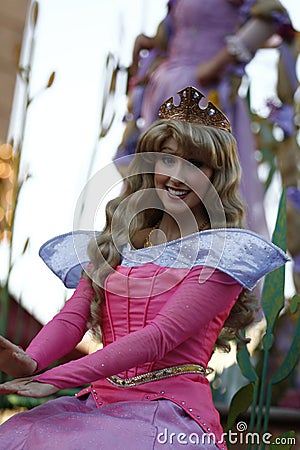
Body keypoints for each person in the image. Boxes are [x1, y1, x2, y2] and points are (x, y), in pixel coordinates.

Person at [0, 87, 288, 450]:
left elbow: (160, 337)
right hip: (100, 405)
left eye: (196, 164)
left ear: (217, 176)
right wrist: (30, 361)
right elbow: (73, 317)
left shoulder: (222, 254)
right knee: (18, 435)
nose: (178, 176)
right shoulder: (118, 246)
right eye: (168, 160)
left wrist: (57, 378)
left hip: (168, 413)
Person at [114, 0, 295, 237]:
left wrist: (216, 64)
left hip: (204, 94)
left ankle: (202, 260)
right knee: (157, 179)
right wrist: (148, 44)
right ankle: (149, 255)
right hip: (165, 90)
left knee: (196, 179)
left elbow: (272, 16)